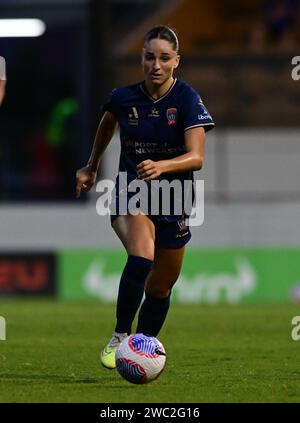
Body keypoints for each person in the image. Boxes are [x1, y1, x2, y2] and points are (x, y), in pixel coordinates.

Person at [75, 25, 214, 369]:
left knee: (161, 286)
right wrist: (91, 166)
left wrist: (164, 165)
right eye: (150, 57)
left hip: (174, 197)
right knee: (142, 257)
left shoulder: (187, 99)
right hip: (131, 191)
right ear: (142, 59)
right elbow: (108, 121)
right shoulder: (124, 98)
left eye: (165, 58)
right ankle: (121, 335)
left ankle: (141, 349)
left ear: (176, 61)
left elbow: (197, 157)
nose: (156, 64)